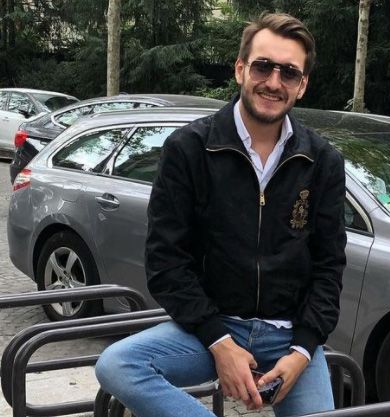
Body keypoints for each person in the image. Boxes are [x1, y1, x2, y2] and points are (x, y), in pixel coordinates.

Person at [95, 12, 346, 417]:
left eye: (289, 73)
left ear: (302, 85)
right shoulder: (189, 149)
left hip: (290, 340)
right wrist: (219, 342)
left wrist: (303, 350)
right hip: (210, 329)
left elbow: (329, 265)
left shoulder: (323, 161)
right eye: (263, 66)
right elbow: (165, 261)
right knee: (117, 365)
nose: (273, 82)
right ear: (240, 69)